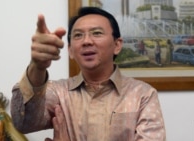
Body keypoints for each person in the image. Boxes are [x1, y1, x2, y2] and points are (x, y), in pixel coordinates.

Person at [10, 7, 166, 141]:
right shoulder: (58, 92)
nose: (86, 41)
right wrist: (37, 66)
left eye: (96, 33)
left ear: (117, 45)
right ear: (70, 50)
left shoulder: (142, 95)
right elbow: (23, 122)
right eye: (78, 35)